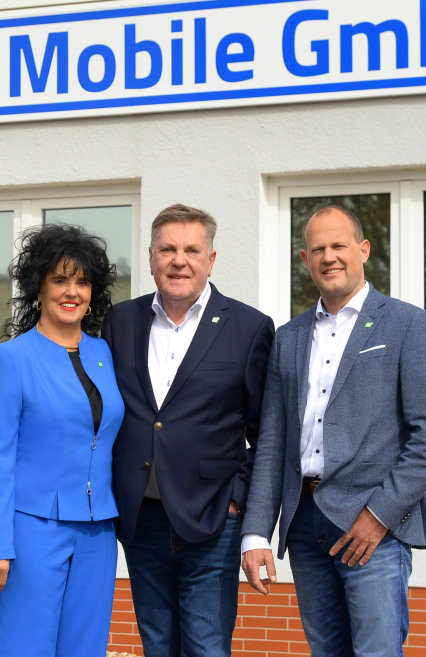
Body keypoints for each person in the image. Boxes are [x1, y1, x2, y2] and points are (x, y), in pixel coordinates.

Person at [241, 205, 426, 657]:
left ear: (364, 249)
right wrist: (256, 532)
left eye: (338, 245)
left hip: (372, 525)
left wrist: (379, 516)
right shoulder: (289, 337)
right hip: (304, 524)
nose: (329, 257)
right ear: (305, 259)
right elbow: (273, 443)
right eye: (317, 249)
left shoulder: (410, 325)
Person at [101, 204, 274, 657]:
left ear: (210, 260)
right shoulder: (121, 321)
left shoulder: (249, 328)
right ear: (151, 257)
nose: (179, 261)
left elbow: (267, 432)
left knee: (206, 647)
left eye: (192, 250)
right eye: (167, 250)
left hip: (213, 517)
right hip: (142, 518)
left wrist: (237, 499)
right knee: (157, 645)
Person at [0, 224, 125, 657]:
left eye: (82, 281)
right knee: (22, 647)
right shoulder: (11, 358)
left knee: (85, 649)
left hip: (98, 531)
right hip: (32, 532)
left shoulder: (103, 353)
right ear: (38, 289)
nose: (72, 291)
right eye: (60, 280)